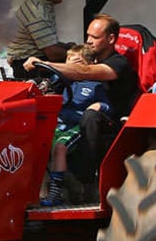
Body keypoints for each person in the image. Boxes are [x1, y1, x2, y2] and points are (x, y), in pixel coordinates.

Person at [25, 14, 140, 190]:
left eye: (94, 37)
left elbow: (84, 72)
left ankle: (83, 177)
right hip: (73, 118)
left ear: (110, 39)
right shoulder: (85, 58)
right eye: (88, 36)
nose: (88, 41)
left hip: (111, 120)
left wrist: (44, 63)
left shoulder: (118, 63)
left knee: (91, 115)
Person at [41, 44, 112, 206]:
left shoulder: (95, 86)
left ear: (90, 66)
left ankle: (55, 192)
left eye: (77, 63)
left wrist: (100, 106)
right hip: (57, 124)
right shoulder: (61, 82)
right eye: (68, 64)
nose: (71, 67)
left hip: (75, 126)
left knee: (59, 147)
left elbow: (108, 106)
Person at [6, 0, 72, 79]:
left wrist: (67, 47)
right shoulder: (37, 12)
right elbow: (53, 53)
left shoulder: (43, 4)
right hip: (29, 68)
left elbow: (47, 42)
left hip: (33, 61)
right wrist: (77, 54)